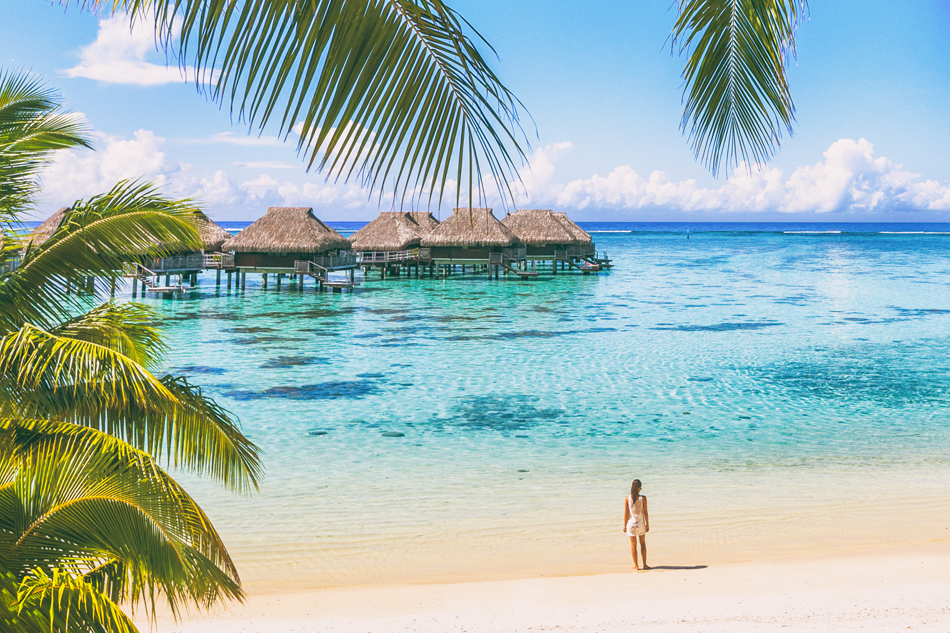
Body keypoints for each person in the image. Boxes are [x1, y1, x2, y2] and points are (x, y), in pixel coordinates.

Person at [623, 479, 649, 570]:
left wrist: (624, 525)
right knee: (642, 543)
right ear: (639, 488)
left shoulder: (627, 498)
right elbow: (645, 513)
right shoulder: (643, 498)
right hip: (641, 523)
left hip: (631, 524)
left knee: (633, 545)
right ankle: (645, 565)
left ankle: (636, 566)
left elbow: (626, 514)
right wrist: (647, 524)